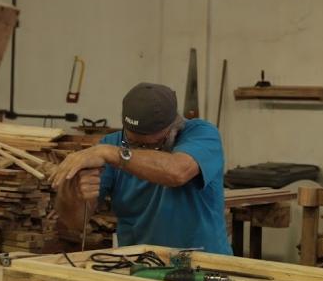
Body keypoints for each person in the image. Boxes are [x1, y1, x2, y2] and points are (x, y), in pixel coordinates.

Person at [53, 82, 231, 255]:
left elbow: (177, 172)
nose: (140, 149)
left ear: (174, 127)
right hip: (140, 265)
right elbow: (75, 223)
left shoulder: (202, 134)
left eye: (153, 144)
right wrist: (72, 194)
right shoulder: (112, 144)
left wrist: (116, 154)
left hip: (204, 265)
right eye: (134, 143)